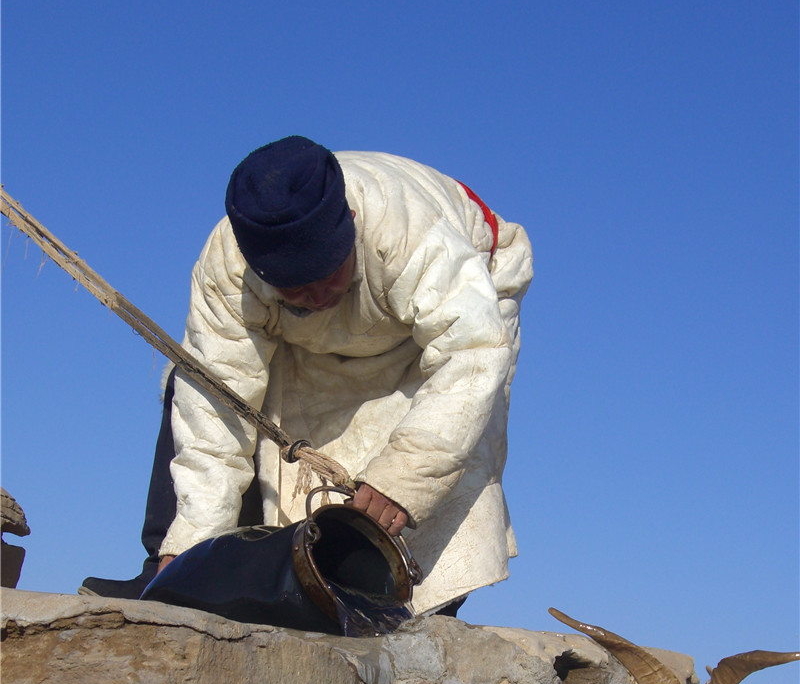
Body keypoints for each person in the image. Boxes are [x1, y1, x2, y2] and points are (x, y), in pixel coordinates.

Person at [81, 136, 533, 616]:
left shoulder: (411, 232)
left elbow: (470, 356)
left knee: (450, 448)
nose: (317, 297)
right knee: (193, 383)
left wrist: (403, 478)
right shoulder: (228, 270)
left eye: (328, 275)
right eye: (296, 287)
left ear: (351, 227)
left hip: (438, 333)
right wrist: (191, 544)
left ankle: (409, 612)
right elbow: (217, 404)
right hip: (307, 344)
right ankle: (178, 577)